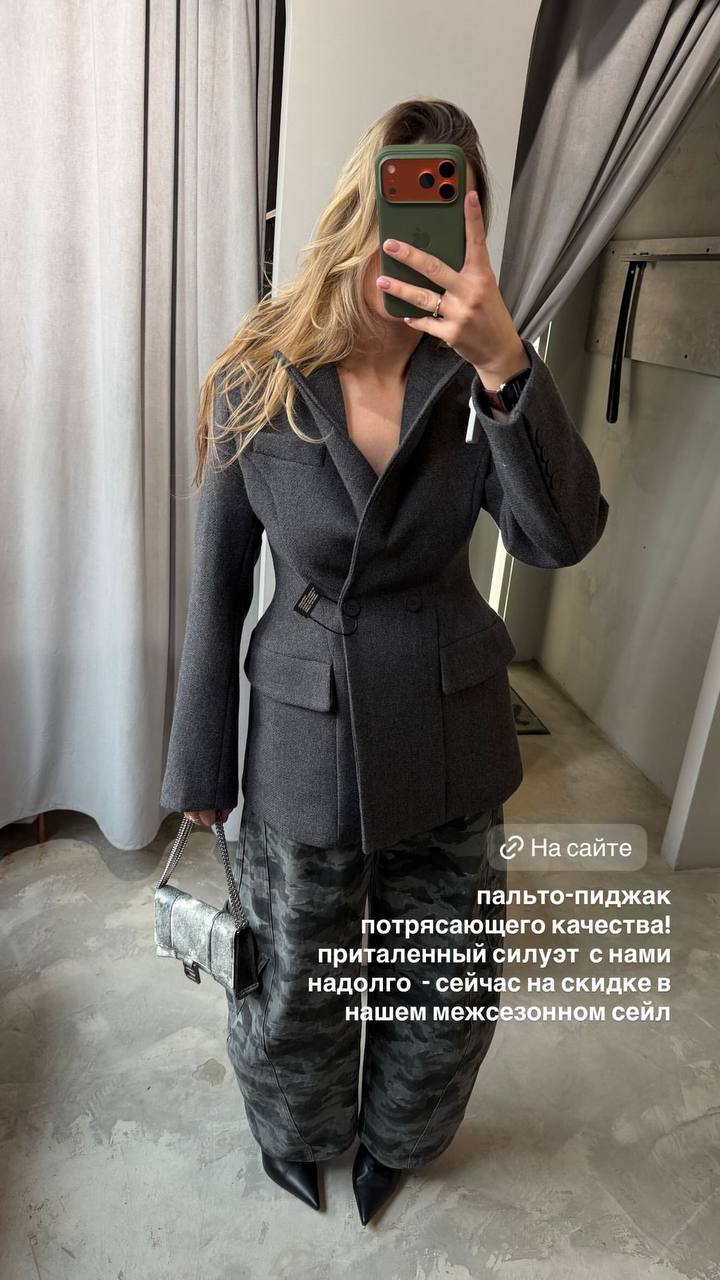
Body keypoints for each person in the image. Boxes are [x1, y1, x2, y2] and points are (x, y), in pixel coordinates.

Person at [160, 98, 609, 1224]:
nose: (409, 245)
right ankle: (295, 1126)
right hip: (303, 733)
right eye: (398, 210)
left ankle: (400, 1135)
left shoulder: (479, 376)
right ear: (359, 210)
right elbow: (219, 585)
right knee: (295, 973)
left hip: (450, 726)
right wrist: (199, 765)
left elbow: (559, 537)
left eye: (445, 216)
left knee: (444, 982)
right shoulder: (259, 373)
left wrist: (505, 364)